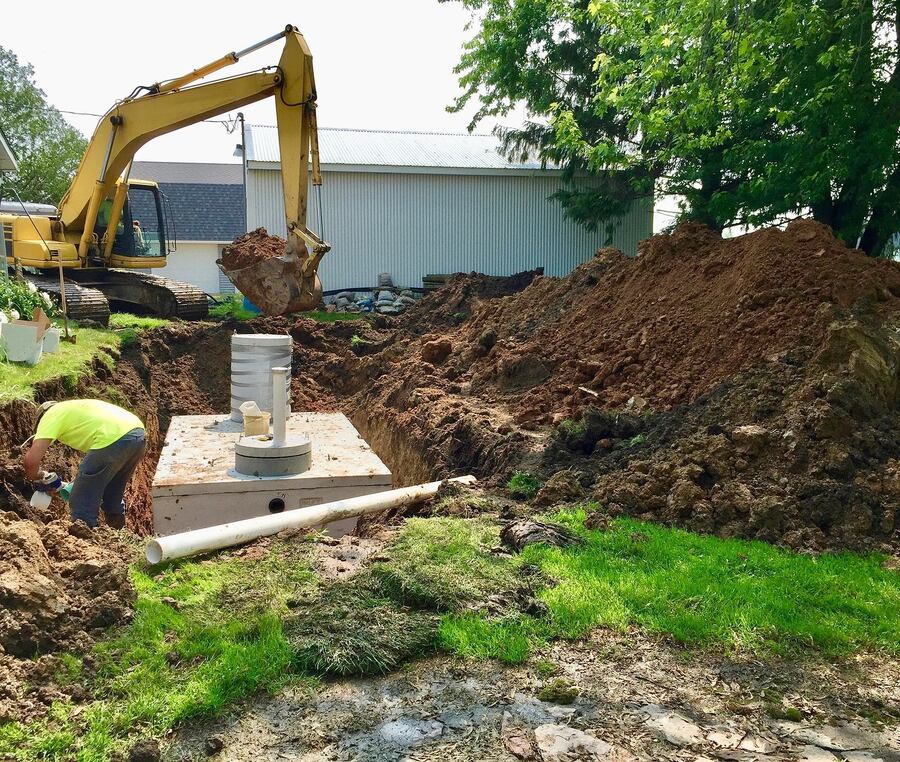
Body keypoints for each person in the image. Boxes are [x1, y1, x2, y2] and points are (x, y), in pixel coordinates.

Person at [23, 400, 146, 529]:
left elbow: (31, 462)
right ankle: (118, 535)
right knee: (112, 493)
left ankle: (85, 541)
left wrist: (37, 476)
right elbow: (97, 475)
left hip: (113, 438)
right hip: (137, 434)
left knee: (81, 502)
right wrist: (73, 486)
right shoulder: (72, 409)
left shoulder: (50, 415)